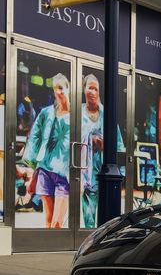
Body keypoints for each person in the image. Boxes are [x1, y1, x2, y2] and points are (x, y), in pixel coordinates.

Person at [21, 73, 71, 228]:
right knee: (48, 222)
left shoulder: (76, 116)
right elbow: (34, 137)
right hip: (45, 169)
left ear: (68, 88)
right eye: (56, 88)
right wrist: (32, 167)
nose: (59, 92)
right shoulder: (46, 113)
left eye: (61, 88)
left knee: (57, 222)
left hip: (65, 171)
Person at [80, 74, 125, 228]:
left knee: (108, 214)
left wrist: (104, 143)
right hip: (86, 171)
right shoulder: (78, 113)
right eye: (89, 87)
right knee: (89, 214)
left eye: (95, 88)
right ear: (83, 89)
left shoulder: (107, 114)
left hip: (106, 170)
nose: (92, 91)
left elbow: (119, 144)